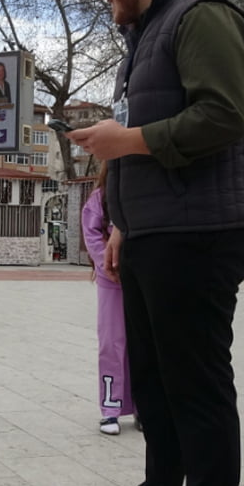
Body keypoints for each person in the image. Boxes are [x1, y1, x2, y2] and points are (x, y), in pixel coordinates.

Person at [66, 0, 244, 486]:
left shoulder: (202, 17)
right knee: (154, 387)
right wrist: (122, 222)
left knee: (196, 388)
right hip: (154, 233)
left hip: (200, 235)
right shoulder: (144, 36)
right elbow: (146, 139)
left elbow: (226, 115)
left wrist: (126, 141)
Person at [81, 164, 137, 436]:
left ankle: (143, 408)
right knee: (112, 344)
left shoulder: (144, 196)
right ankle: (110, 408)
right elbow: (92, 236)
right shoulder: (100, 199)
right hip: (112, 282)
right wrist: (109, 267)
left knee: (144, 344)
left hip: (144, 280)